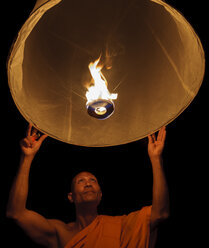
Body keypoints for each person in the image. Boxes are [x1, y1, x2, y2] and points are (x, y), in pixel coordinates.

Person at [6, 123, 169, 248]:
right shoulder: (60, 232)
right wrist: (26, 159)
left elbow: (160, 213)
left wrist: (156, 159)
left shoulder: (122, 225)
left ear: (100, 195)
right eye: (81, 181)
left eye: (93, 180)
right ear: (71, 197)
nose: (88, 184)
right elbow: (16, 213)